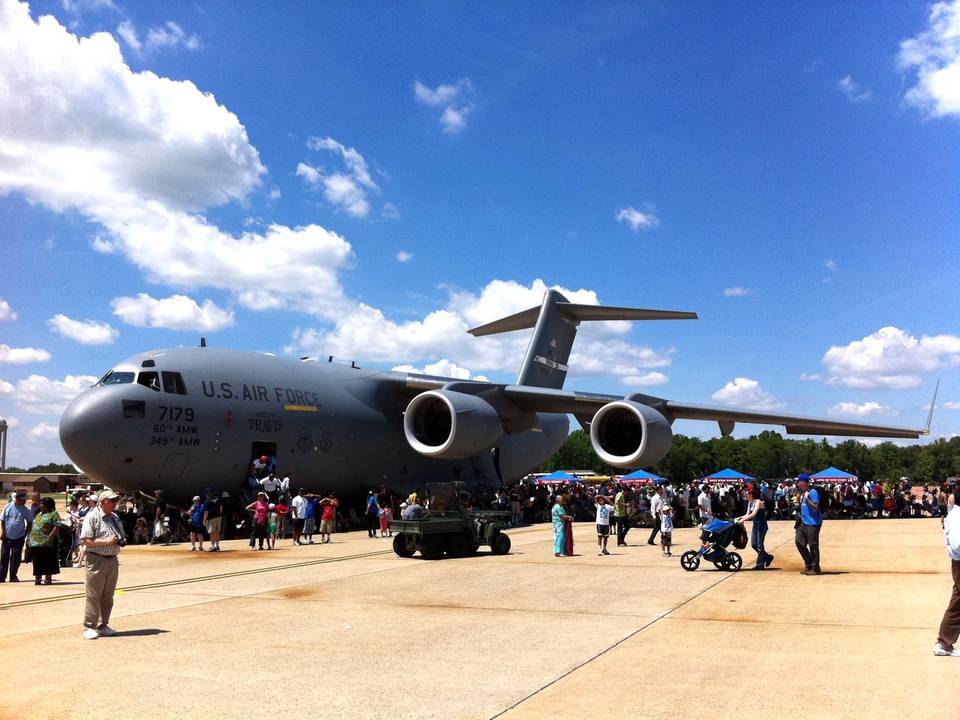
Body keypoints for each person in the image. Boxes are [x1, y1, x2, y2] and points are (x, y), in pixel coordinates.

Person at [80, 490, 126, 639]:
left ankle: (103, 624)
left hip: (112, 559)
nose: (115, 504)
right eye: (112, 501)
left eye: (116, 501)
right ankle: (89, 626)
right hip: (97, 559)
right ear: (103, 501)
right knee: (94, 595)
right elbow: (85, 540)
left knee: (108, 595)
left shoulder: (114, 517)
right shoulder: (92, 516)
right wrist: (106, 541)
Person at [934, 488, 960, 656]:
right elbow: (958, 544)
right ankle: (943, 643)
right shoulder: (958, 517)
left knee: (957, 604)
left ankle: (944, 643)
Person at [736, 486, 774, 570]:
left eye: (746, 494)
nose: (745, 495)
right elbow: (747, 514)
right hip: (755, 525)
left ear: (751, 494)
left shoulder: (758, 502)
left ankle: (760, 564)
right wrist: (738, 518)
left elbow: (753, 514)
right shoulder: (750, 503)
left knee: (760, 545)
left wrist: (743, 520)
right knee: (754, 545)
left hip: (762, 525)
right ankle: (768, 557)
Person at [1, 491, 33, 582]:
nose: (25, 501)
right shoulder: (8, 506)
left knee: (15, 558)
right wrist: (3, 532)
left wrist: (26, 534)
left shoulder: (25, 510)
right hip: (7, 537)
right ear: (18, 499)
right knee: (4, 557)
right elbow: (2, 520)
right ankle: (2, 576)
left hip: (19, 537)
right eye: (23, 499)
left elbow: (30, 522)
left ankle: (13, 576)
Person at [29, 496, 61, 585]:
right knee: (37, 561)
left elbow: (57, 526)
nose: (40, 505)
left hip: (47, 543)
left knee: (48, 561)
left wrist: (50, 537)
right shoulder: (39, 514)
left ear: (47, 504)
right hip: (35, 543)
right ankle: (38, 579)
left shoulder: (54, 514)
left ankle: (48, 579)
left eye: (42, 503)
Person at [795, 474, 822, 575]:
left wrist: (807, 499)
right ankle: (809, 563)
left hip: (813, 523)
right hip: (803, 522)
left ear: (804, 482)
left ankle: (815, 568)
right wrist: (799, 500)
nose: (798, 484)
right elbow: (803, 507)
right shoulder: (804, 492)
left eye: (799, 481)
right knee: (799, 542)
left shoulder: (813, 492)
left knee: (813, 545)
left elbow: (815, 507)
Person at [552, 492, 572, 557]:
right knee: (559, 537)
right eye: (562, 499)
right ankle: (558, 552)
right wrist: (569, 517)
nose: (563, 500)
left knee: (560, 537)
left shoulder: (558, 506)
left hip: (558, 524)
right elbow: (562, 516)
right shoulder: (558, 507)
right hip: (558, 524)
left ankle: (560, 551)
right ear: (558, 500)